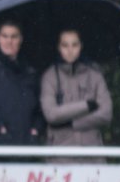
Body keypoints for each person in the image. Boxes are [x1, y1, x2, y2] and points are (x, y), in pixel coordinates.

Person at [39, 28, 112, 162]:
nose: (70, 50)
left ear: (81, 46)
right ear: (58, 47)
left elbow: (106, 113)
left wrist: (72, 122)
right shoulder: (49, 76)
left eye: (74, 44)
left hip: (92, 154)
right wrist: (88, 106)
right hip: (59, 155)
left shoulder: (95, 75)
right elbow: (51, 114)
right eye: (65, 45)